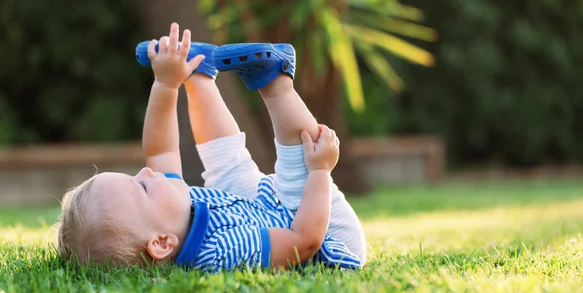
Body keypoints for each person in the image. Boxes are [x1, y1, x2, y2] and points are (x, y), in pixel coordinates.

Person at [57, 23, 367, 272]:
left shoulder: (173, 213)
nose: (148, 171)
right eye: (141, 187)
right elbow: (305, 240)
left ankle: (197, 75)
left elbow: (160, 151)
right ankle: (276, 84)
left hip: (261, 211)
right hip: (326, 236)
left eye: (135, 175)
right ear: (162, 243)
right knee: (298, 174)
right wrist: (320, 171)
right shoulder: (220, 251)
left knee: (227, 171)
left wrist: (166, 84)